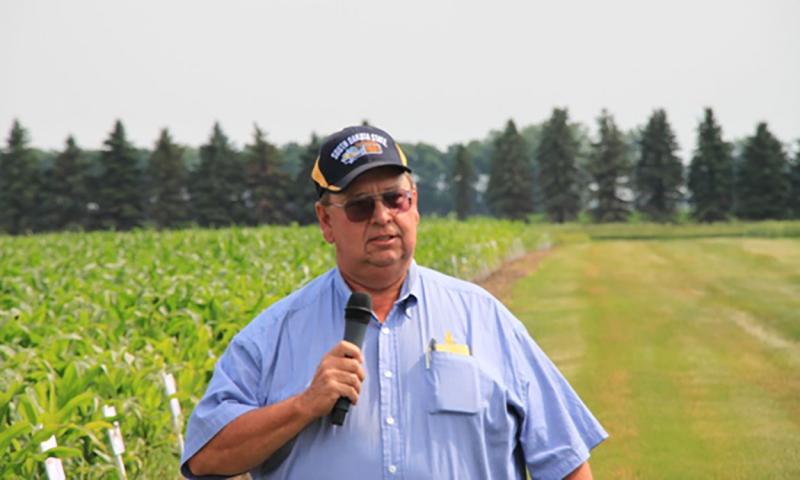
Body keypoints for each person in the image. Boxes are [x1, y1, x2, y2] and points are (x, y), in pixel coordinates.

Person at [181, 125, 607, 480]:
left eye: (394, 199)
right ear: (326, 221)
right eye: (360, 207)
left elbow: (565, 461)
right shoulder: (274, 334)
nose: (382, 216)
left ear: (414, 205)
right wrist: (303, 405)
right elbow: (205, 457)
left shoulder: (484, 317)